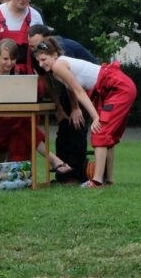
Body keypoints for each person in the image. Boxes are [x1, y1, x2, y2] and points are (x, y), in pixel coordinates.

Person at [34, 37, 137, 188]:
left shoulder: (58, 66)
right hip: (112, 88)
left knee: (100, 131)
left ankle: (96, 181)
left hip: (116, 87)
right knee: (109, 135)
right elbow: (71, 90)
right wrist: (75, 108)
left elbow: (79, 91)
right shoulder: (58, 67)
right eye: (39, 61)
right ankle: (108, 180)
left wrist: (95, 117)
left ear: (54, 55)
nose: (41, 64)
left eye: (44, 59)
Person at [0, 38, 71, 176]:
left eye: (13, 59)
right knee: (22, 122)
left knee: (18, 123)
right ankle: (53, 159)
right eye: (5, 59)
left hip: (11, 118)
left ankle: (3, 170)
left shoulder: (18, 72)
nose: (9, 63)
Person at [28, 24, 97, 183]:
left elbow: (72, 84)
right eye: (31, 46)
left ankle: (78, 173)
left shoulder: (62, 49)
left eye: (37, 45)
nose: (34, 50)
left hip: (86, 87)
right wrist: (58, 108)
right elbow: (47, 80)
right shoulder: (37, 52)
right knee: (64, 128)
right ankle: (63, 173)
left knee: (77, 126)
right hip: (69, 89)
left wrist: (75, 108)